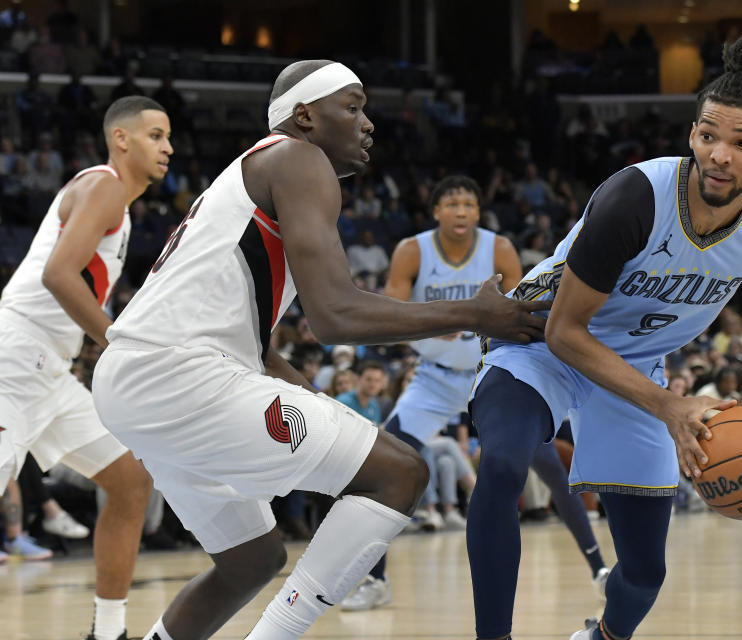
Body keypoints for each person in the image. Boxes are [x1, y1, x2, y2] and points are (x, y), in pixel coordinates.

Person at [90, 59, 548, 640]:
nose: (368, 124)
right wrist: (476, 314)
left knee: (251, 561)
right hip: (182, 378)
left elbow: (255, 347)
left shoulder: (251, 174)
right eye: (353, 107)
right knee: (400, 474)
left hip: (136, 383)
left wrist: (330, 412)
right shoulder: (297, 158)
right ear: (305, 116)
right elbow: (334, 316)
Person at [467, 32, 742, 640]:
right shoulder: (636, 196)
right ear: (692, 135)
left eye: (740, 143)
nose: (720, 154)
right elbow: (565, 330)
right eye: (708, 136)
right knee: (502, 466)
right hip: (538, 342)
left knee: (644, 572)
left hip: (634, 367)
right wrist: (671, 407)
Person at [341, 175, 609, 612]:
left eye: (469, 203)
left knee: (551, 470)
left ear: (478, 213)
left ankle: (599, 568)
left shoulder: (498, 248)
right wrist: (445, 317)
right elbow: (391, 313)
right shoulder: (413, 250)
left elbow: (527, 305)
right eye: (452, 203)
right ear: (436, 212)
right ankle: (375, 580)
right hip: (434, 378)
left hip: (494, 372)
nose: (461, 211)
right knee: (380, 467)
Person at [0, 96, 170, 640]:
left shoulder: (115, 203)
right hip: (16, 356)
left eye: (168, 137)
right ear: (121, 139)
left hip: (50, 369)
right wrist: (114, 340)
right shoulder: (104, 187)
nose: (167, 147)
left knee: (129, 482)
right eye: (155, 135)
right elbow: (58, 274)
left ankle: (109, 632)